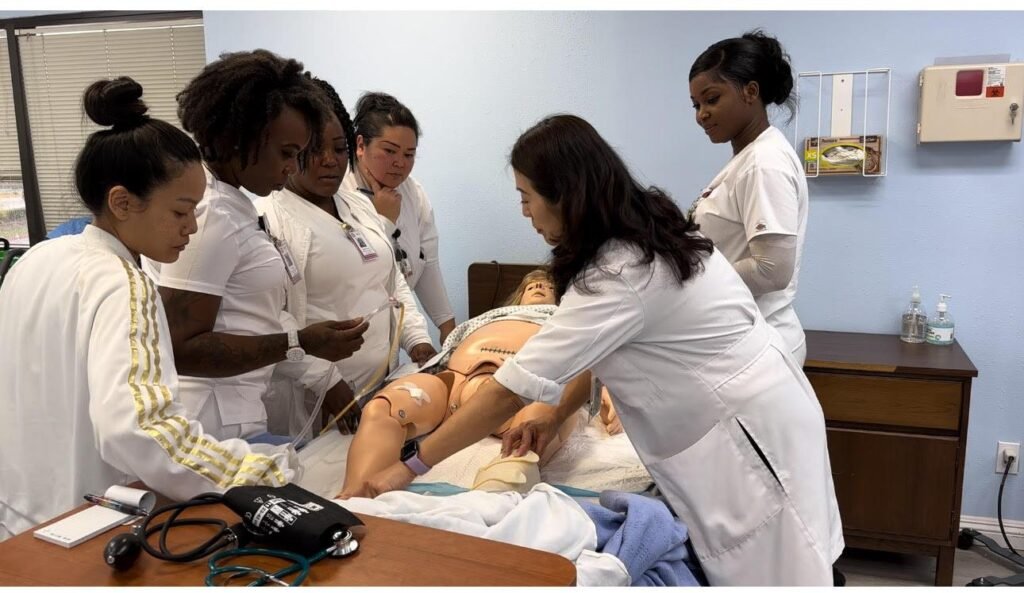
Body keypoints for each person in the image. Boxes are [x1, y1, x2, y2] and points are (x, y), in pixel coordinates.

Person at [349, 115, 843, 585]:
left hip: (743, 438)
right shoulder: (645, 233)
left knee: (778, 567)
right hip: (758, 411)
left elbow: (508, 393)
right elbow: (600, 350)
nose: (524, 213)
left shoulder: (618, 273)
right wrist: (553, 413)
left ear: (565, 196)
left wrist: (409, 467)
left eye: (526, 197)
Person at [0, 77, 299, 542]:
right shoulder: (123, 283)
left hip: (18, 518)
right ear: (122, 202)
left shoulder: (39, 258)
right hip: (82, 527)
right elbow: (138, 429)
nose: (191, 227)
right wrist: (258, 470)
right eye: (181, 211)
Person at [150, 49, 368, 442]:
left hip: (237, 410)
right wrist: (299, 344)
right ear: (240, 139)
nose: (292, 166)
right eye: (287, 153)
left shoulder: (234, 205)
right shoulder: (211, 214)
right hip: (209, 418)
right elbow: (180, 348)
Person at [257, 76, 437, 437]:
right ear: (291, 150)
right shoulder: (268, 219)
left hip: (381, 384)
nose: (329, 161)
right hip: (320, 399)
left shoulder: (358, 204)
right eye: (314, 149)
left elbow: (390, 280)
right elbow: (269, 318)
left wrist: (417, 339)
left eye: (339, 149)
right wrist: (326, 381)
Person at [339, 268, 587, 497]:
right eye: (531, 286)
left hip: (530, 391)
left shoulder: (569, 322)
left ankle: (490, 504)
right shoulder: (487, 318)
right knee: (383, 407)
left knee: (533, 431)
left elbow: (591, 369)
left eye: (548, 286)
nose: (539, 286)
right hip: (455, 381)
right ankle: (352, 502)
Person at [688, 30, 810, 365]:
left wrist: (692, 279)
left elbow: (772, 269)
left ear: (750, 92)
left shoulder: (764, 162)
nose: (701, 114)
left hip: (759, 343)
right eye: (696, 105)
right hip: (741, 338)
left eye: (712, 99)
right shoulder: (749, 159)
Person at [340, 92, 457, 344]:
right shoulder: (338, 191)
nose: (400, 163)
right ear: (360, 146)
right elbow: (362, 273)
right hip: (348, 337)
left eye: (409, 154)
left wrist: (448, 328)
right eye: (390, 151)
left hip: (394, 334)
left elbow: (427, 263)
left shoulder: (413, 193)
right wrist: (382, 219)